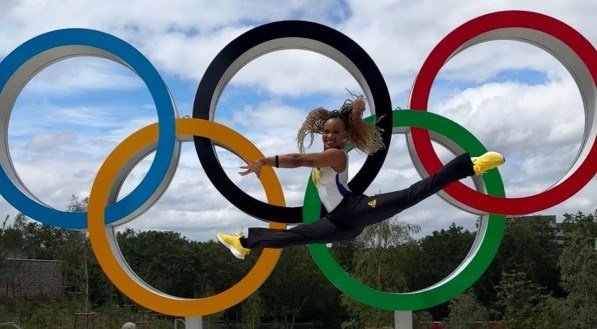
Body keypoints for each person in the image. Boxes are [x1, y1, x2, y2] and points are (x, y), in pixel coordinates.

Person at [217, 95, 504, 259]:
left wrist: (264, 162)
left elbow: (299, 159)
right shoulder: (327, 154)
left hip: (354, 211)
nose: (330, 136)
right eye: (326, 132)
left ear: (345, 137)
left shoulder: (336, 156)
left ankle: (471, 165)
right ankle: (244, 243)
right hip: (340, 225)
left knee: (410, 195)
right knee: (296, 235)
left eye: (336, 132)